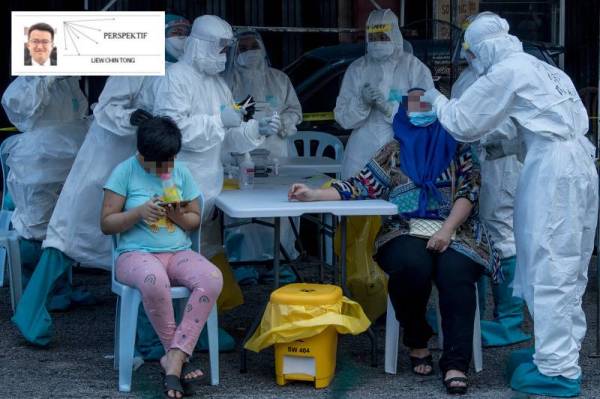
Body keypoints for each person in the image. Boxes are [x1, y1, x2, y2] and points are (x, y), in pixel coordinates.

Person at [424, 12, 598, 397]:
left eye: (470, 54)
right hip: (580, 164)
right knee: (569, 263)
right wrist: (506, 146)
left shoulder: (507, 70)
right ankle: (553, 354)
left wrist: (434, 96)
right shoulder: (543, 67)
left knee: (550, 263)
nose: (471, 61)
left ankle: (557, 372)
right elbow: (557, 123)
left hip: (553, 172)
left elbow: (462, 122)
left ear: (482, 48)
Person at [289, 89, 499, 395]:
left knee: (455, 274)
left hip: (457, 230)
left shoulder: (459, 147)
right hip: (405, 229)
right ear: (403, 112)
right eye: (413, 106)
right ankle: (416, 340)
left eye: (425, 104)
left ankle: (456, 363)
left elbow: (470, 192)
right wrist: (314, 194)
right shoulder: (394, 151)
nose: (420, 111)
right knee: (411, 266)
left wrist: (446, 230)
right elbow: (358, 186)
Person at [11, 14, 190, 346]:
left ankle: (150, 335)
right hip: (102, 163)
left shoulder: (180, 73)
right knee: (67, 237)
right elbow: (107, 107)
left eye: (185, 32)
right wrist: (131, 117)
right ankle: (29, 313)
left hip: (137, 167)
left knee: (139, 246)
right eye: (175, 32)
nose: (181, 38)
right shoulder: (137, 64)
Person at [101, 115, 222, 399]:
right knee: (153, 279)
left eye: (171, 159)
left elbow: (193, 220)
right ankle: (175, 355)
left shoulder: (179, 173)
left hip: (177, 250)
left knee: (212, 277)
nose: (167, 167)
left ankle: (174, 359)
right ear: (143, 156)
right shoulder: (124, 172)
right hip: (135, 254)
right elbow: (106, 223)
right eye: (161, 162)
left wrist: (174, 212)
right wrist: (138, 213)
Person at [153, 15, 271, 267]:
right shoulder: (175, 77)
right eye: (220, 48)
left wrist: (255, 130)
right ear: (201, 44)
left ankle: (198, 306)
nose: (224, 55)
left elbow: (228, 138)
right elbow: (171, 133)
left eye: (227, 49)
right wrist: (219, 120)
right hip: (176, 187)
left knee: (199, 259)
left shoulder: (218, 85)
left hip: (209, 187)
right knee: (171, 261)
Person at [451, 64, 530, 347]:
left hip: (502, 164)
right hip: (474, 162)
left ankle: (509, 321)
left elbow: (517, 120)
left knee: (502, 236)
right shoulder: (468, 76)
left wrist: (489, 136)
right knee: (472, 235)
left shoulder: (513, 74)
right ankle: (473, 317)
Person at [223, 28, 302, 270]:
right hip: (240, 153)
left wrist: (283, 124)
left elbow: (294, 110)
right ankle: (242, 262)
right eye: (243, 48)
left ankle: (280, 261)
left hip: (276, 151)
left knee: (279, 204)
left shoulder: (279, 79)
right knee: (242, 208)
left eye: (253, 47)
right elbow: (220, 116)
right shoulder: (226, 81)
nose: (249, 52)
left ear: (263, 48)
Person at [334, 8, 434, 179]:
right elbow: (342, 118)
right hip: (361, 153)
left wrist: (391, 109)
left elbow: (427, 112)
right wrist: (361, 103)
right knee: (357, 199)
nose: (377, 42)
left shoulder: (413, 68)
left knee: (398, 202)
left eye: (382, 36)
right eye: (372, 38)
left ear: (394, 34)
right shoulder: (358, 69)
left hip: (402, 148)